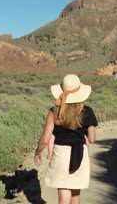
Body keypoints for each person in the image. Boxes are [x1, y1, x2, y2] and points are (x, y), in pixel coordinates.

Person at [34, 74, 98, 204]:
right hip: (80, 153)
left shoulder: (54, 112)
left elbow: (45, 139)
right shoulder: (87, 111)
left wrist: (38, 152)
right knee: (75, 194)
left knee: (63, 194)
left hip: (60, 154)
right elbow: (92, 139)